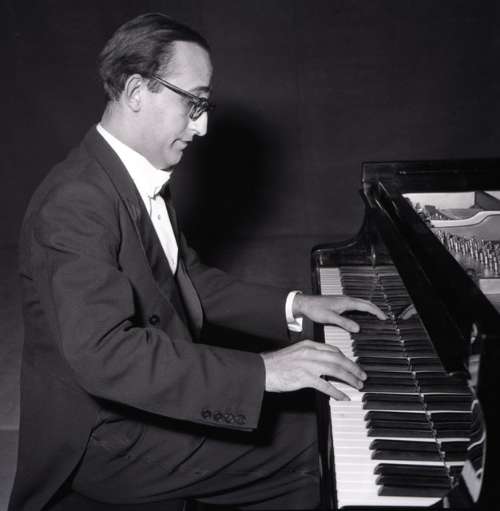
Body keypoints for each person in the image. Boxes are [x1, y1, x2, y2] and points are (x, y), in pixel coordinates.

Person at [9, 13, 386, 511]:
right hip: (106, 437)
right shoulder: (75, 201)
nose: (202, 126)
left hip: (141, 402)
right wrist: (262, 371)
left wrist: (296, 305)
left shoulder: (136, 177)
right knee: (317, 442)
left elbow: (187, 282)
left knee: (318, 421)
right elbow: (105, 354)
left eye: (205, 106)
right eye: (193, 103)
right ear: (136, 91)